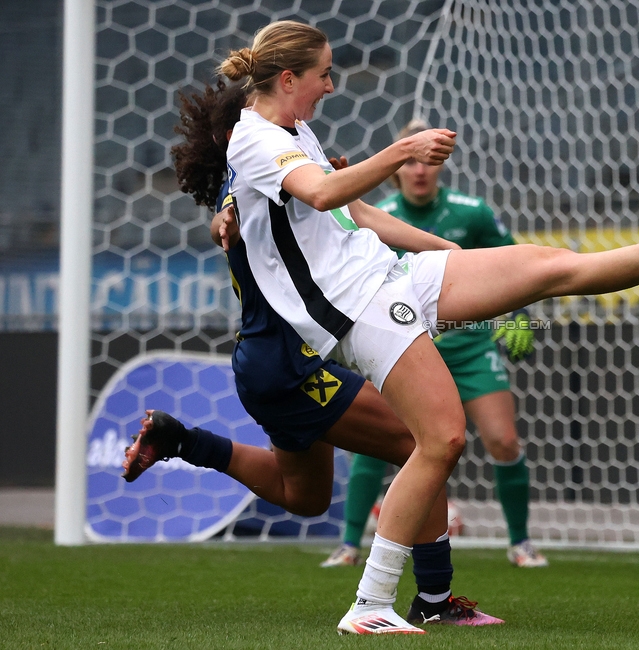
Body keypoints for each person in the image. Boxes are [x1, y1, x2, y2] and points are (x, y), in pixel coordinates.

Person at [218, 19, 639, 635]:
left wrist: (451, 259)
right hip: (358, 310)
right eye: (324, 73)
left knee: (553, 268)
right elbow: (323, 194)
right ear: (289, 77)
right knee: (441, 439)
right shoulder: (251, 139)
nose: (331, 85)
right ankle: (370, 605)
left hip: (393, 277)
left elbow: (357, 214)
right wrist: (401, 151)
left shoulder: (294, 127)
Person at [127, 78, 503, 630]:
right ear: (242, 132)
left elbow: (339, 213)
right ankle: (434, 598)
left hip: (271, 365)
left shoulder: (262, 188)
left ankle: (181, 438)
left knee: (301, 495)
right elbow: (248, 217)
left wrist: (447, 254)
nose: (293, 129)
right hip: (289, 366)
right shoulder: (255, 188)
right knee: (418, 440)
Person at [321, 119, 547, 570]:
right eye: (411, 162)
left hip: (470, 345)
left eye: (428, 162)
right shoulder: (377, 215)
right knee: (380, 445)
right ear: (398, 168)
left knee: (503, 439)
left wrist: (521, 317)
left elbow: (514, 264)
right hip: (405, 345)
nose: (420, 171)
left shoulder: (473, 212)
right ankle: (349, 545)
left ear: (439, 167)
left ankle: (520, 543)